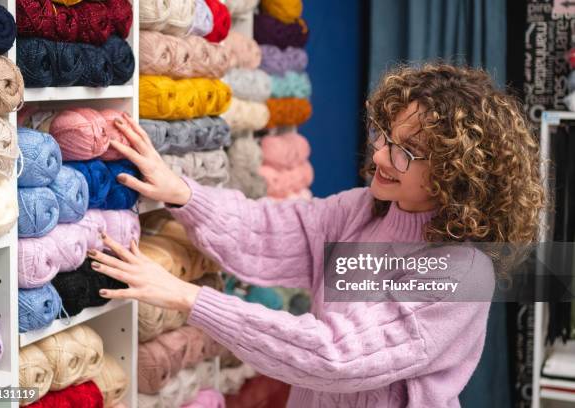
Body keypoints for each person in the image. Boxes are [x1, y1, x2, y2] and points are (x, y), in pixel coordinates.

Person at [88, 63, 544, 407]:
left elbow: (335, 354)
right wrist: (182, 193)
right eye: (384, 134)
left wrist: (190, 299)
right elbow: (265, 230)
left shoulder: (460, 270)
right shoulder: (362, 212)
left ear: (456, 172)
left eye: (406, 151)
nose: (381, 155)